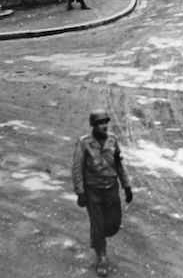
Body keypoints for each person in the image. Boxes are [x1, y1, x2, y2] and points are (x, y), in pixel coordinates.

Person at [72, 109, 134, 277]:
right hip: (94, 192)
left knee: (113, 224)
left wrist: (127, 186)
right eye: (100, 123)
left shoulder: (113, 140)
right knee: (98, 226)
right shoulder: (84, 143)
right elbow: (77, 168)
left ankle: (100, 239)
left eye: (105, 122)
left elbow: (119, 164)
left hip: (111, 189)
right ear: (93, 125)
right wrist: (80, 192)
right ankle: (101, 258)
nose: (103, 126)